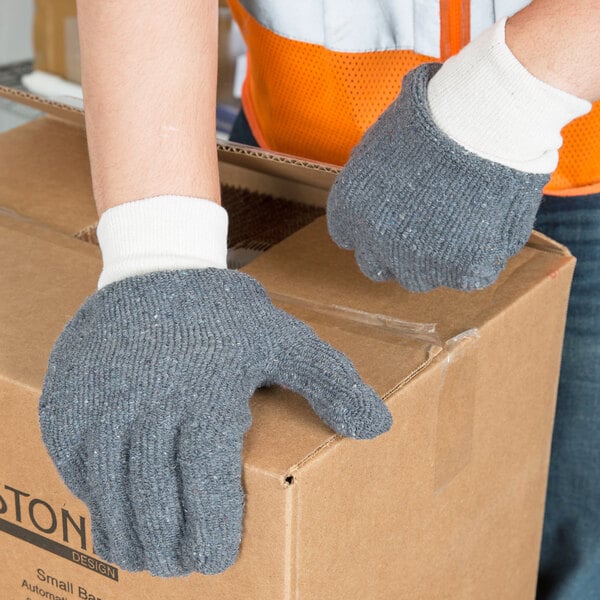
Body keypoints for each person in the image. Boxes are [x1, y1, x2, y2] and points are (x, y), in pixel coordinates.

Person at [38, 0, 599, 597]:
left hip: (578, 158)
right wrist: (158, 252)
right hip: (284, 156)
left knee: (577, 539)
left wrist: (516, 90)